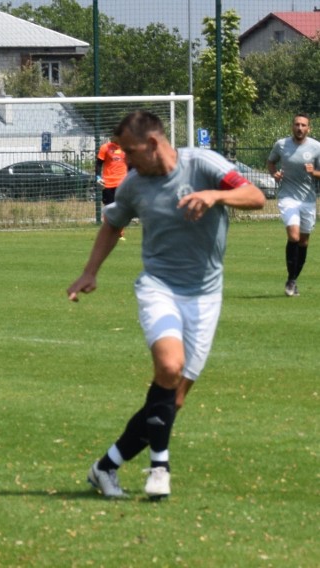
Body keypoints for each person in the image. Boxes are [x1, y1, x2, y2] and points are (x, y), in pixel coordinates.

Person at [67, 111, 265, 500]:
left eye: (129, 150)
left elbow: (256, 197)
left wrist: (215, 195)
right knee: (169, 365)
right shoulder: (133, 185)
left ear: (154, 143)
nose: (123, 159)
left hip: (206, 295)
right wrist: (90, 272)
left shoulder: (203, 165)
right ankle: (160, 467)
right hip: (159, 288)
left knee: (171, 399)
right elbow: (112, 224)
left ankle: (105, 468)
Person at [266, 113, 320, 297]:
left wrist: (314, 173)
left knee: (304, 242)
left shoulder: (316, 147)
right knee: (294, 235)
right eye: (297, 124)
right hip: (287, 197)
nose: (300, 128)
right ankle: (291, 280)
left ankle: (293, 279)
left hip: (308, 200)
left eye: (303, 125)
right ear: (292, 126)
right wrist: (274, 174)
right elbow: (271, 162)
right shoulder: (281, 145)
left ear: (308, 128)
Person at [96, 135, 129, 240]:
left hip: (122, 183)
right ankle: (109, 232)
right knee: (109, 208)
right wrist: (97, 177)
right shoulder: (105, 148)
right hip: (108, 183)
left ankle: (120, 233)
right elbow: (98, 163)